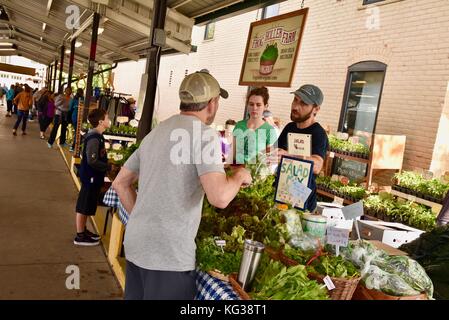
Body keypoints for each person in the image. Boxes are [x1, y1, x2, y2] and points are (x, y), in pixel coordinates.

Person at [112, 70, 252, 300]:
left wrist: (143, 217)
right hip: (168, 255)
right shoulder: (204, 135)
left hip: (137, 244)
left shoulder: (158, 131)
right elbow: (219, 198)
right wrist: (238, 176)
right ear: (212, 103)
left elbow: (121, 183)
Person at [272, 84, 329, 213]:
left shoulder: (318, 133)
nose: (295, 106)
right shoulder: (289, 127)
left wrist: (289, 155)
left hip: (302, 200)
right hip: (281, 193)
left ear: (316, 109)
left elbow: (317, 165)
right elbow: (276, 151)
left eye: (303, 103)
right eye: (295, 100)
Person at [74, 108, 111, 246]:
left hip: (93, 178)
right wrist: (108, 167)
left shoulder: (97, 135)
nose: (109, 121)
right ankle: (79, 236)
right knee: (84, 205)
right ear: (101, 121)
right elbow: (92, 160)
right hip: (90, 177)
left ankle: (83, 230)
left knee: (88, 204)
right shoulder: (94, 137)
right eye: (107, 118)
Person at [232, 87, 277, 164]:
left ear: (265, 106)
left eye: (258, 105)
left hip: (254, 173)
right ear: (247, 105)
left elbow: (270, 162)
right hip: (235, 170)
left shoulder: (269, 130)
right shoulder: (239, 125)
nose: (254, 108)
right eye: (251, 104)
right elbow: (232, 155)